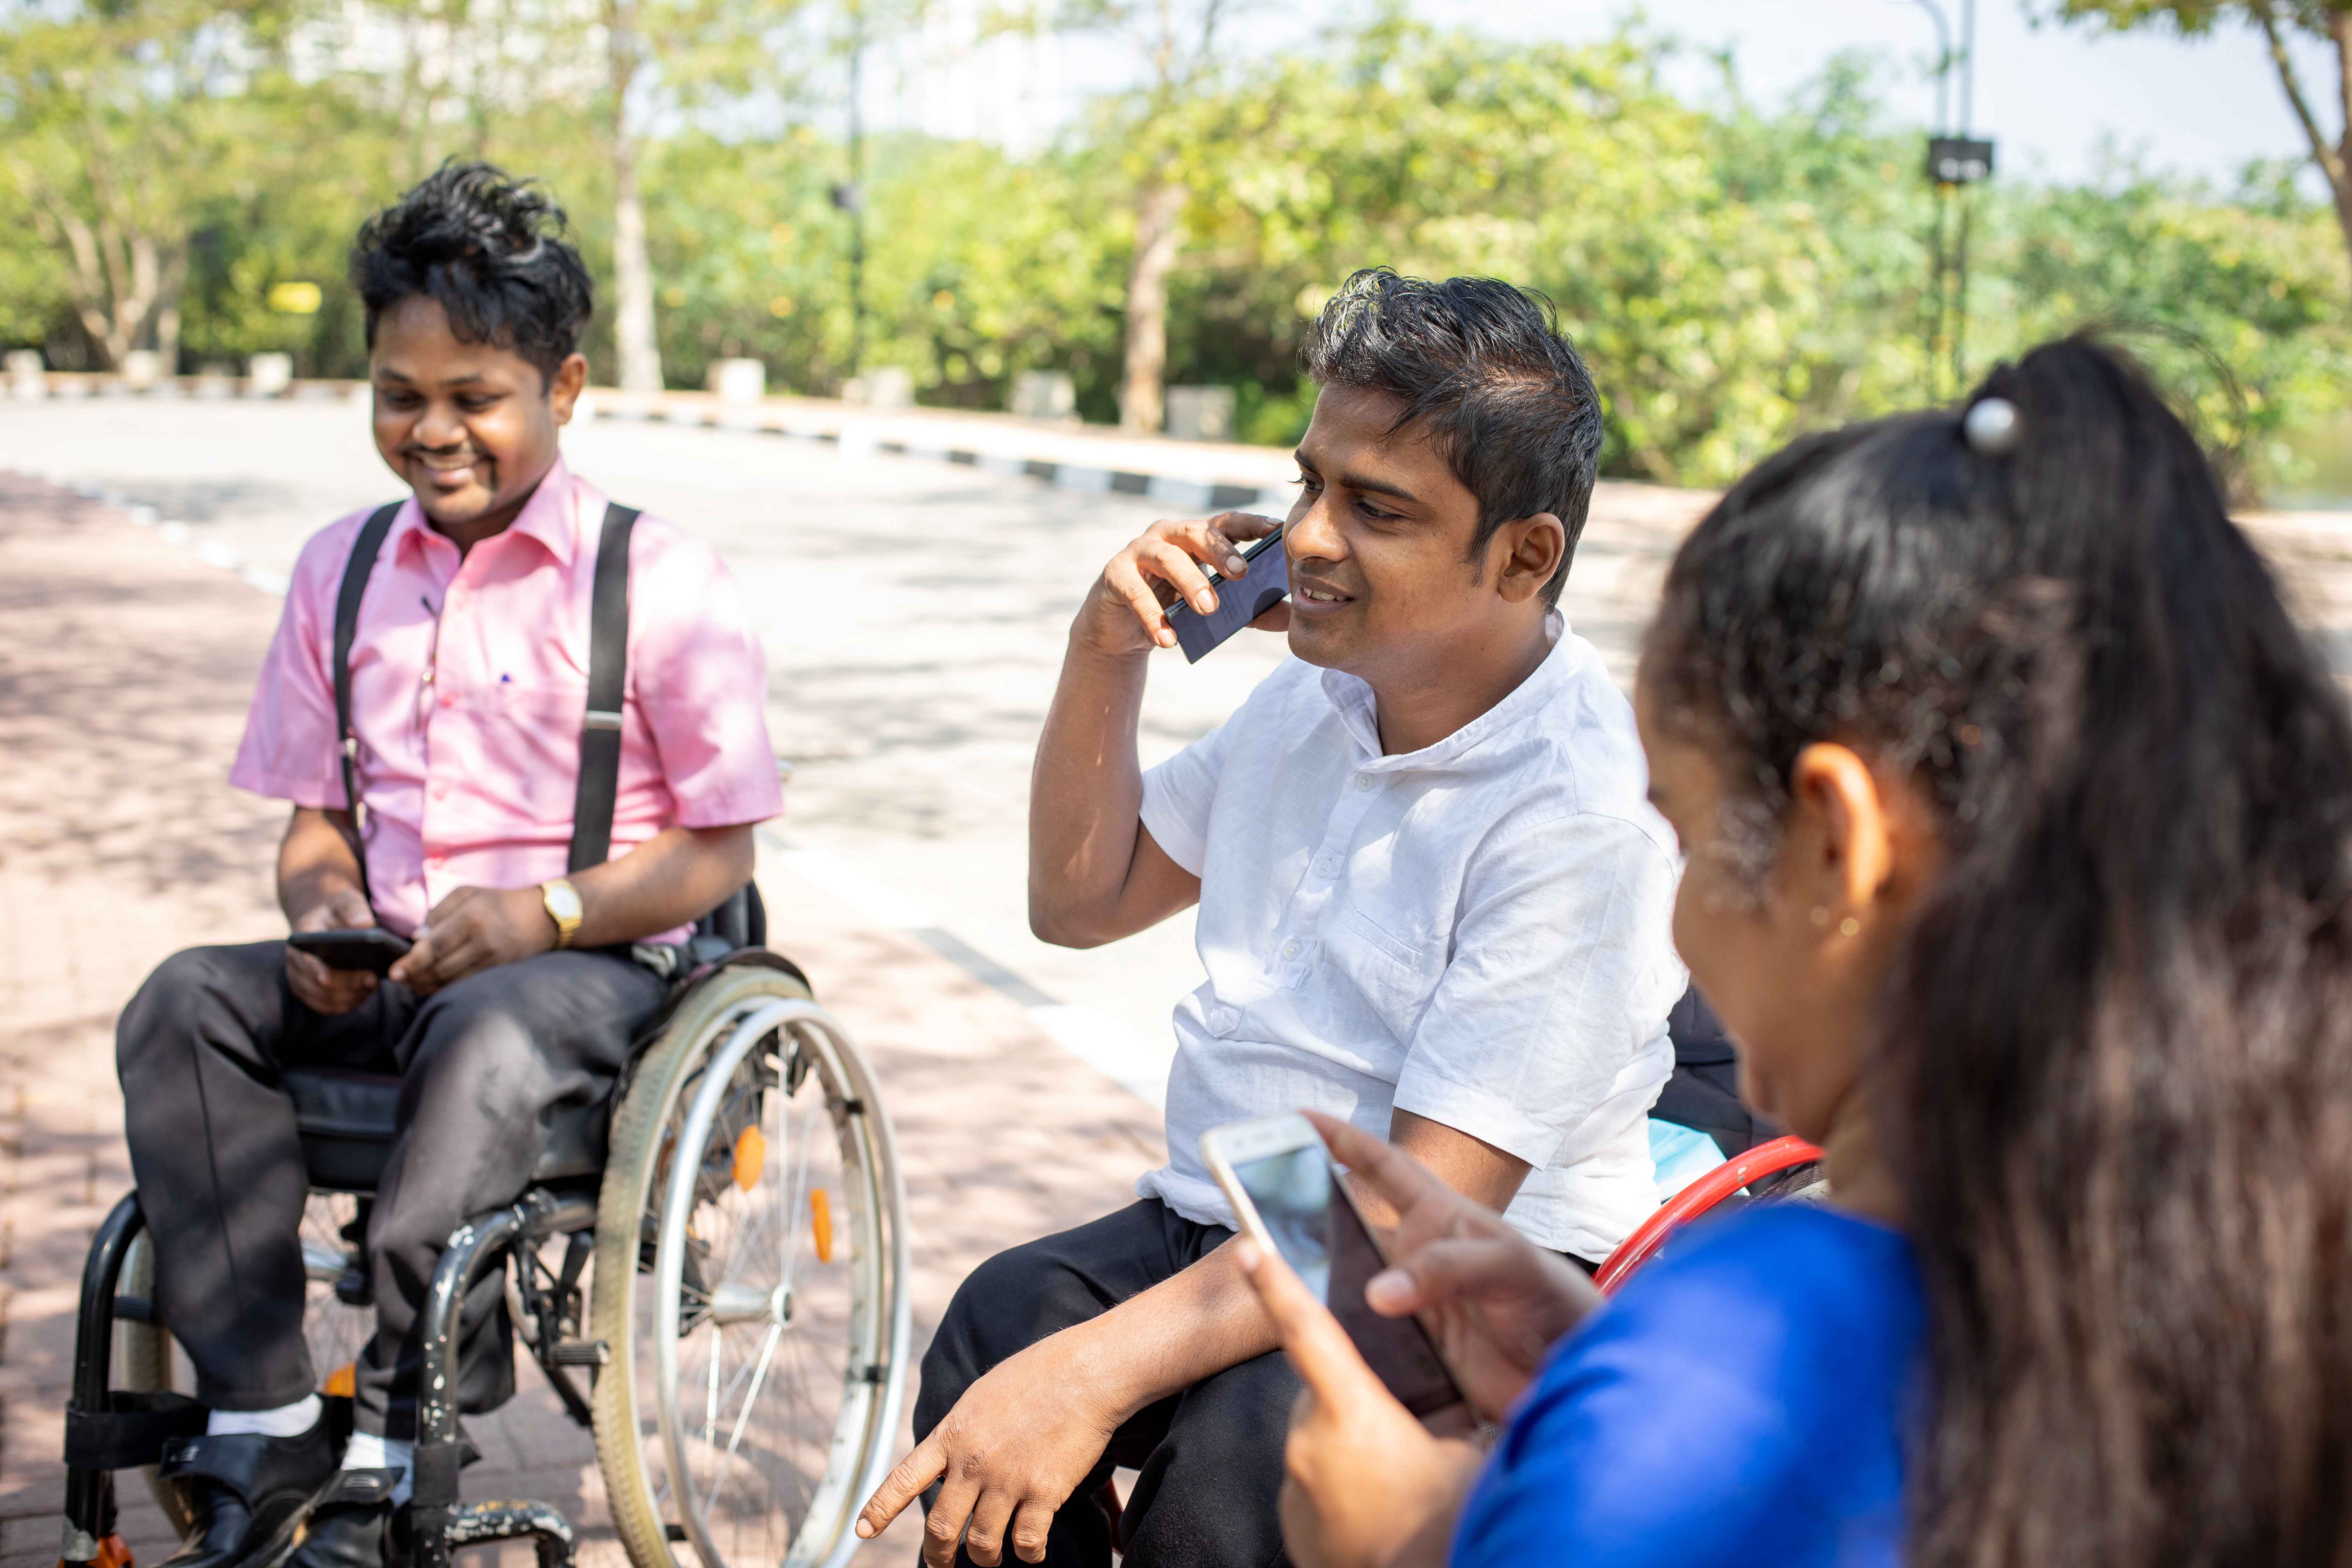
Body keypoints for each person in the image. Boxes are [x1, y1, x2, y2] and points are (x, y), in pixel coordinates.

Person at [1237, 334, 2352, 1568]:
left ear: (1837, 844)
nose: (1678, 920)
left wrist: (1410, 1540)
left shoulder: (1741, 1353)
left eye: (1692, 836)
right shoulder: (2263, 1265)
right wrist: (1587, 1392)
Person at [857, 268, 1687, 1568]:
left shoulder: (1579, 820)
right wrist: (1102, 655)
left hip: (1463, 1263)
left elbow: (1410, 1212)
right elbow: (1078, 903)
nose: (1305, 538)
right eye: (1310, 484)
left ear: (1525, 556)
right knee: (1003, 1322)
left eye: (1377, 508)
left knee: (1244, 1449)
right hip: (1242, 1206)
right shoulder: (1316, 698)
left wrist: (1090, 1379)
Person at [114, 162, 783, 1568]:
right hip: (400, 961)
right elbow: (314, 819)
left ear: (565, 385)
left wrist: (544, 911)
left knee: (486, 1022)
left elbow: (720, 840)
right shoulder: (339, 570)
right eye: (395, 394)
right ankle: (268, 1404)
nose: (431, 430)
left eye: (473, 395)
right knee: (183, 999)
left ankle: (410, 1416)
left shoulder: (654, 578)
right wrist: (323, 908)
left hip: (596, 970)